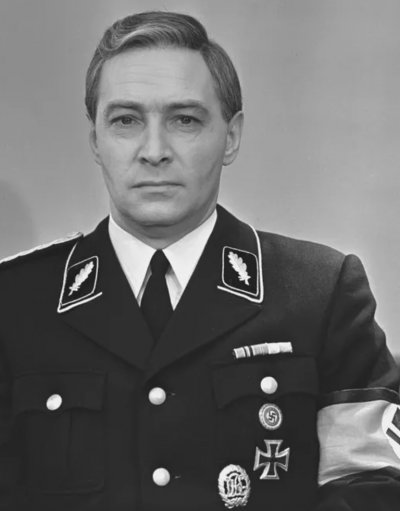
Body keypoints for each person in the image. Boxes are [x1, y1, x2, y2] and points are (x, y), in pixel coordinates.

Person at [0, 10, 399, 511]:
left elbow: (371, 484)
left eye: (184, 120)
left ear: (231, 136)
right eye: (125, 121)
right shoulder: (15, 303)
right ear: (95, 140)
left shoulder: (321, 293)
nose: (154, 151)